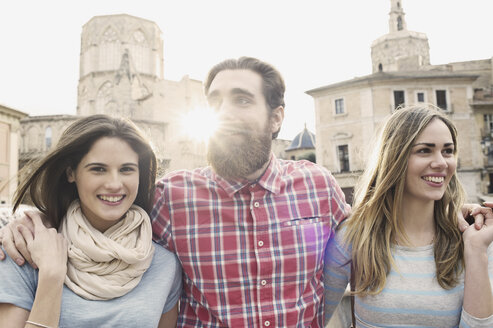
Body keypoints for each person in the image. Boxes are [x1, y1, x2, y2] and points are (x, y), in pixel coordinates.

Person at [0, 58, 487, 327]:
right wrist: (26, 219)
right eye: (215, 102)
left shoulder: (316, 186)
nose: (226, 112)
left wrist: (456, 210)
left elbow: (382, 227)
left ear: (276, 117)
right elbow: (100, 203)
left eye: (242, 99)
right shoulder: (170, 197)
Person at [0, 115, 182, 328]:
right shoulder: (23, 251)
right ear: (71, 173)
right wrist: (50, 277)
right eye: (98, 169)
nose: (115, 184)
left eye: (126, 169)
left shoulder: (165, 266)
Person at [323, 105, 493, 327]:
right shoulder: (353, 237)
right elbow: (312, 318)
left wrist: (476, 251)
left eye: (448, 151)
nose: (441, 162)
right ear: (395, 157)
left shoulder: (476, 237)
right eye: (425, 150)